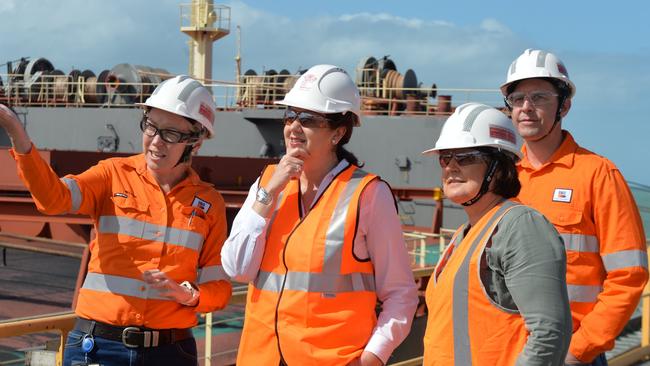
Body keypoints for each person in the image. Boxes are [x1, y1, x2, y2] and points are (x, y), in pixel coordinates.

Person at [0, 75, 232, 366]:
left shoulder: (209, 204)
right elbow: (53, 199)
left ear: (195, 144)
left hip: (170, 352)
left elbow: (219, 289)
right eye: (151, 126)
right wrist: (20, 140)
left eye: (171, 133)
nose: (156, 141)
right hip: (98, 348)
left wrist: (186, 294)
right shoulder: (111, 175)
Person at [221, 64, 418, 366]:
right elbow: (238, 269)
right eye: (290, 116)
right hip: (260, 357)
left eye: (309, 119)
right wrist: (267, 194)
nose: (293, 127)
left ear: (338, 132)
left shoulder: (368, 195)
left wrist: (372, 358)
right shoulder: (269, 184)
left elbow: (401, 293)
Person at [501, 49, 649, 365]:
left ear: (564, 106)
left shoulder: (598, 174)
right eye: (517, 98)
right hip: (507, 352)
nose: (526, 108)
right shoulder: (503, 178)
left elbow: (629, 276)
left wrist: (578, 351)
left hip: (568, 354)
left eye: (539, 97)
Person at [421, 103, 572, 365]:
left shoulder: (521, 226)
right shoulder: (465, 234)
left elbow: (549, 333)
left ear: (499, 167)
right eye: (445, 158)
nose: (451, 167)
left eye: (466, 157)